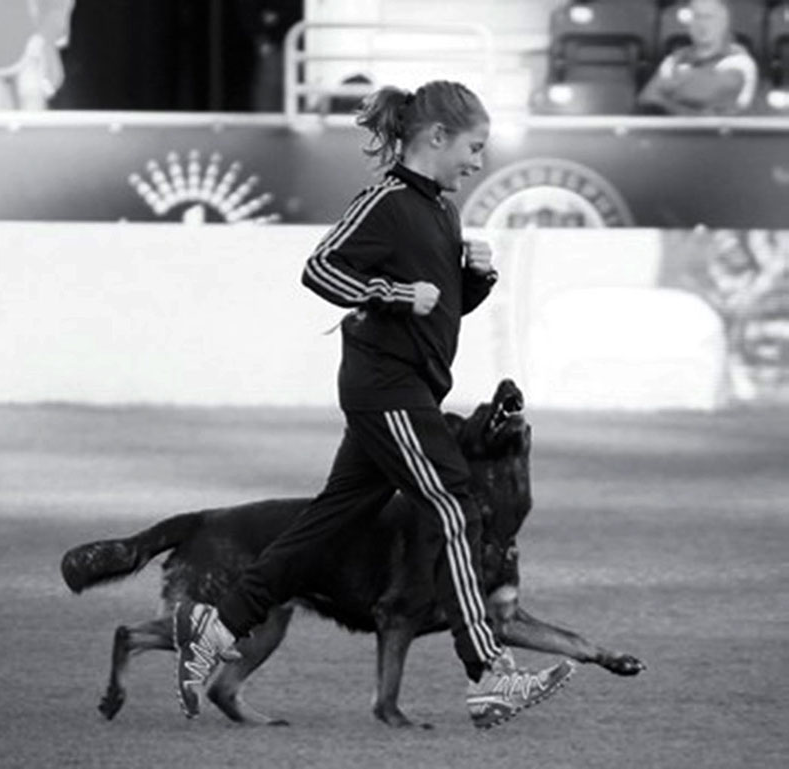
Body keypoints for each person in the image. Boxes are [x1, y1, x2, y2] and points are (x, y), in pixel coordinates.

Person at [172, 80, 575, 730]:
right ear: (436, 137)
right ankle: (489, 674)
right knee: (454, 501)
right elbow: (321, 268)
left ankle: (218, 625)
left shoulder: (442, 208)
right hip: (386, 388)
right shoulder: (385, 199)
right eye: (474, 146)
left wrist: (473, 278)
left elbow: (436, 308)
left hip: (409, 388)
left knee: (324, 523)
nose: (479, 161)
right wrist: (390, 289)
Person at [637, 0, 758, 116]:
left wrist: (666, 96)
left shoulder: (740, 62)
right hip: (674, 136)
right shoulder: (674, 59)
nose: (702, 24)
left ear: (724, 22)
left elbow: (705, 95)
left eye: (708, 17)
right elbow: (647, 99)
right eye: (696, 17)